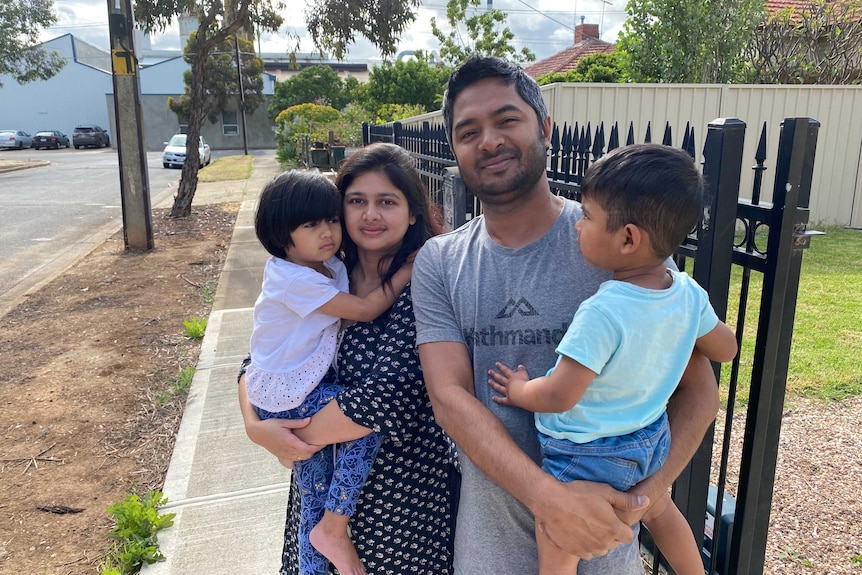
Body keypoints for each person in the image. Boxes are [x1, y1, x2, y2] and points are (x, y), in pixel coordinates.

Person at [411, 54, 720, 575]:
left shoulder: (619, 241)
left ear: (546, 127)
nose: (488, 141)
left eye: (507, 120)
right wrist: (550, 501)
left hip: (608, 546)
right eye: (468, 131)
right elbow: (450, 398)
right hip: (489, 552)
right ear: (456, 148)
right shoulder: (440, 262)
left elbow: (701, 391)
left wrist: (646, 496)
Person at [486, 143, 738, 575]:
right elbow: (726, 349)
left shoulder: (603, 311)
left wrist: (520, 389)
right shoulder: (687, 293)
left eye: (587, 217)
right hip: (650, 439)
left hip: (586, 453)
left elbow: (561, 394)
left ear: (627, 238)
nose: (577, 226)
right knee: (662, 513)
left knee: (557, 539)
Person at [238, 143, 458, 575]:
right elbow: (259, 359)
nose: (370, 215)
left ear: (412, 212)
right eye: (356, 202)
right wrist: (257, 429)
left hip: (399, 504)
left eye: (386, 202)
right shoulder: (324, 271)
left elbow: (387, 399)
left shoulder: (425, 280)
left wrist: (295, 439)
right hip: (321, 485)